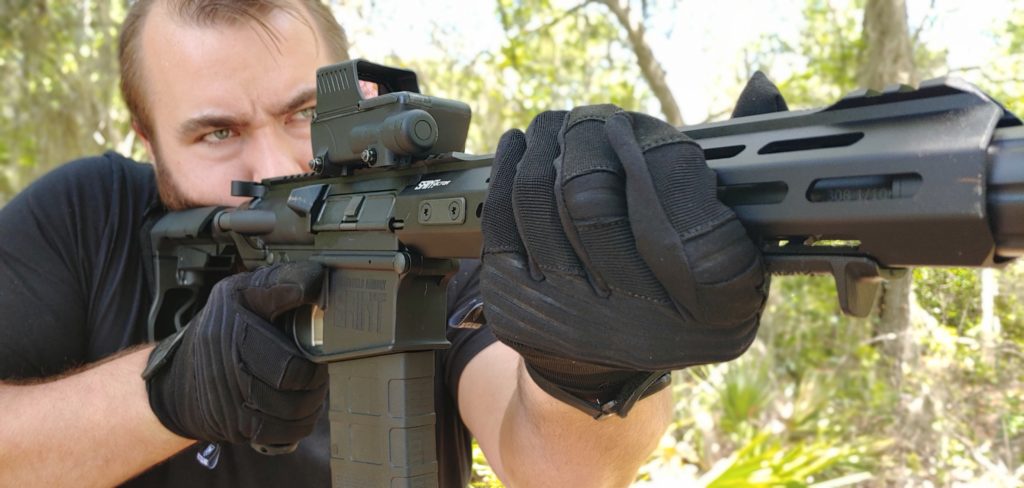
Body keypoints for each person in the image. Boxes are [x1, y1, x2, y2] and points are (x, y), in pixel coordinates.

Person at [0, 0, 777, 486]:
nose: (273, 166)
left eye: (303, 114)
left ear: (355, 96)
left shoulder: (425, 219)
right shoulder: (85, 218)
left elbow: (563, 470)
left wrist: (596, 361)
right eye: (216, 133)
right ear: (148, 142)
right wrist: (165, 392)